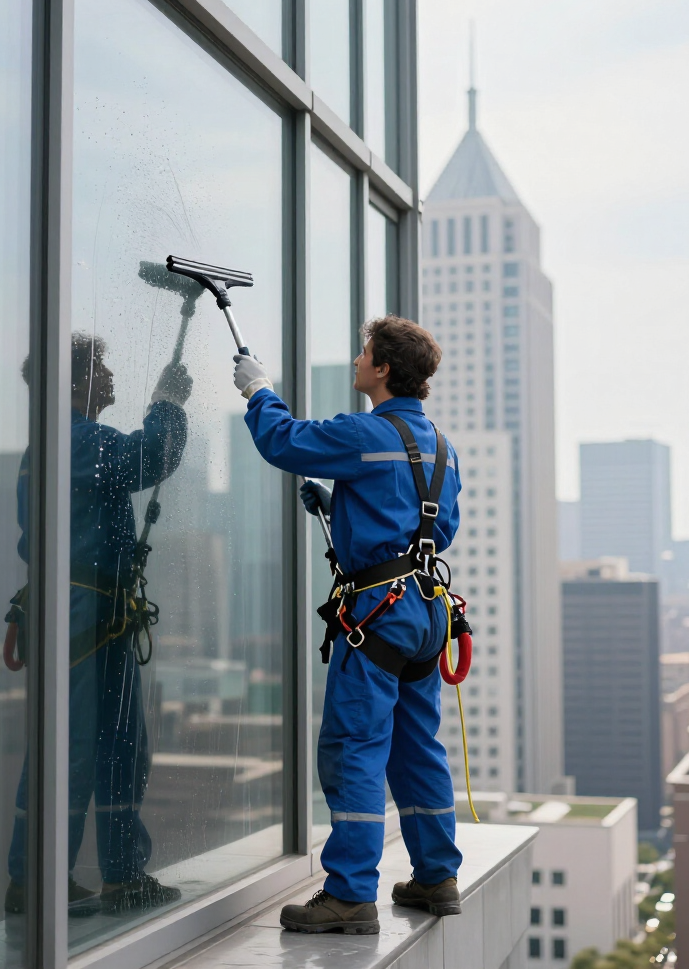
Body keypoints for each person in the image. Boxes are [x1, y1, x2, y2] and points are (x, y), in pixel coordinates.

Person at [232, 315, 463, 935]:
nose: (358, 360)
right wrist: (345, 506)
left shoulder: (366, 432)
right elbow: (433, 528)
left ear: (383, 368)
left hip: (378, 615)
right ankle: (438, 877)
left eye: (365, 353)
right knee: (418, 747)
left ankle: (350, 895)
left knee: (354, 747)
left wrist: (259, 391)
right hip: (424, 613)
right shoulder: (440, 445)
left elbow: (285, 441)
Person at [4, 331, 191, 917]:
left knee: (118, 746)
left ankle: (121, 874)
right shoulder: (72, 442)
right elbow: (147, 458)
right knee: (75, 745)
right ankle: (35, 878)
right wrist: (166, 404)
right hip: (79, 609)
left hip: (98, 610)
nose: (109, 377)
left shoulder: (68, 441)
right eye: (101, 369)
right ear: (75, 381)